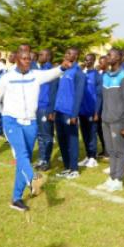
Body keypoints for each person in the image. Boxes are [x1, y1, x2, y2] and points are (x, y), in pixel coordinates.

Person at [0, 49, 63, 211]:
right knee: (22, 155)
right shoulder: (5, 77)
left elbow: (52, 74)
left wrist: (63, 67)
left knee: (22, 161)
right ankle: (34, 178)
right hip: (11, 122)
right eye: (24, 59)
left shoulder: (36, 75)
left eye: (29, 59)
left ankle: (16, 198)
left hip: (31, 123)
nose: (28, 61)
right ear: (17, 60)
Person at [96, 49, 124, 193]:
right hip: (105, 119)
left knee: (119, 151)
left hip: (118, 121)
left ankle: (118, 179)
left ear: (118, 58)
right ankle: (112, 177)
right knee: (110, 150)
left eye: (110, 55)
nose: (107, 57)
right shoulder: (105, 75)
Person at [52, 48, 86, 180]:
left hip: (69, 112)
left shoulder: (78, 73)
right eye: (65, 53)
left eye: (70, 53)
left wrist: (74, 114)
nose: (66, 55)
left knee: (72, 141)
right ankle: (67, 167)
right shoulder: (64, 71)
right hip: (59, 111)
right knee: (62, 141)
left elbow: (78, 96)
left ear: (76, 56)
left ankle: (74, 169)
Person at [79, 52, 100, 168]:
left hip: (92, 111)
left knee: (92, 135)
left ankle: (93, 157)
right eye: (85, 60)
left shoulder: (97, 75)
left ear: (94, 61)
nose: (87, 62)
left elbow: (99, 95)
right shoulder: (83, 74)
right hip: (82, 111)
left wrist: (97, 111)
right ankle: (88, 156)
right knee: (85, 134)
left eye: (89, 60)